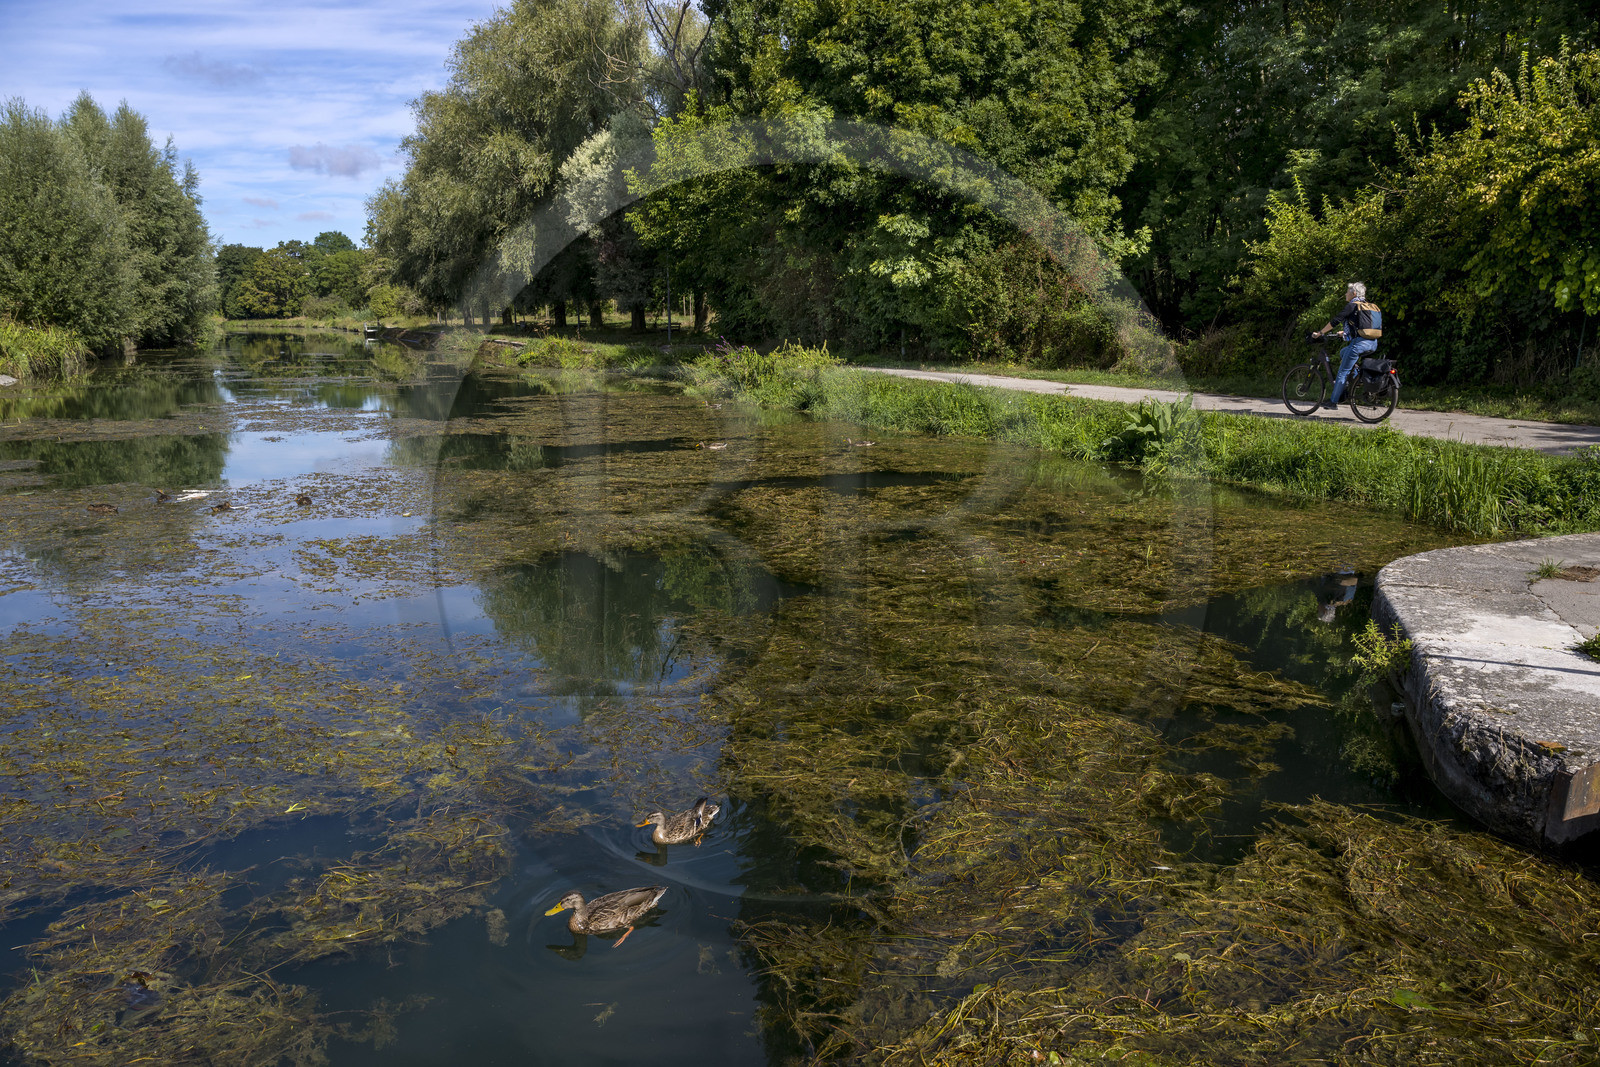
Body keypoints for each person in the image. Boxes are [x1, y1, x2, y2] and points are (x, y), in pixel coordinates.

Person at [1312, 282, 1382, 409]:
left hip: (1359, 344)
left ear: (1354, 293)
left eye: (1347, 292)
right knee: (1343, 352)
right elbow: (1361, 327)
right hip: (1373, 343)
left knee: (1342, 372)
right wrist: (1344, 333)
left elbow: (1335, 320)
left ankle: (1333, 402)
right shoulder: (1368, 306)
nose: (1345, 294)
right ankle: (1356, 379)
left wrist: (1320, 332)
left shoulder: (1352, 305)